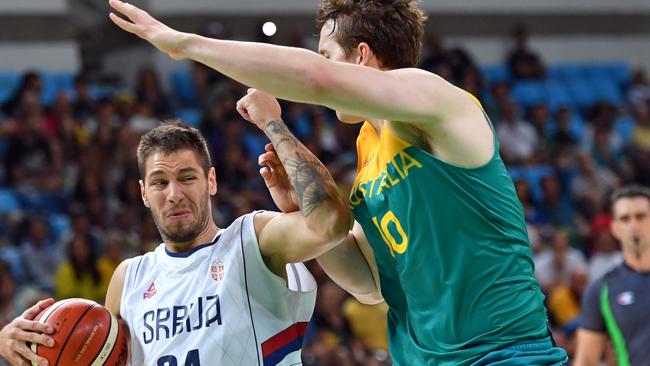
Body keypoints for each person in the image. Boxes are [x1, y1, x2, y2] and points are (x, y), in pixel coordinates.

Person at [107, 0, 567, 364]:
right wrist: (296, 210)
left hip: (502, 353)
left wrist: (181, 43)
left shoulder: (439, 102)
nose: (320, 64)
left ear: (360, 57)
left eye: (327, 52)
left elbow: (317, 79)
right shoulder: (369, 151)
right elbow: (368, 284)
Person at [0, 90, 355, 365]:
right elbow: (87, 351)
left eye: (187, 177)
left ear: (211, 181)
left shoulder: (253, 239)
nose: (174, 195)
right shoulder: (129, 278)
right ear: (143, 193)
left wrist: (275, 126)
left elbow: (331, 225)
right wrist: (16, 345)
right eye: (159, 182)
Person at [574, 185, 650, 366]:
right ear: (615, 228)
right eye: (625, 219)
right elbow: (585, 360)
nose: (633, 225)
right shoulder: (601, 290)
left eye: (641, 216)